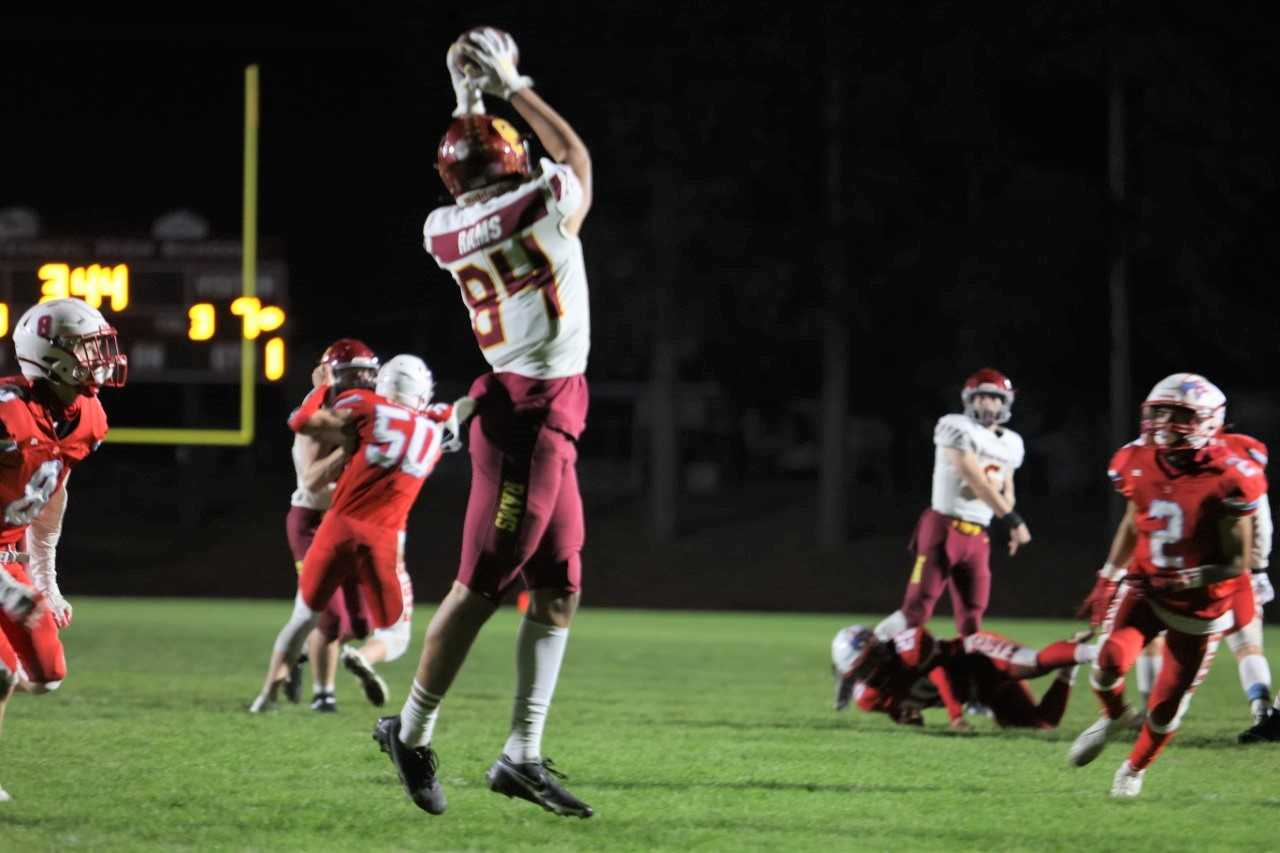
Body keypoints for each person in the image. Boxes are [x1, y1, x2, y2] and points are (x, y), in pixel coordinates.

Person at [373, 27, 595, 819]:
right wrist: (511, 85)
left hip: (540, 405)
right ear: (511, 159)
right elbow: (575, 157)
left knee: (560, 587)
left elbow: (474, 173)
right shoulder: (542, 204)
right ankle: (411, 727)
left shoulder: (441, 232)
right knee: (479, 589)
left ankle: (521, 756)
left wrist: (467, 101)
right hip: (526, 419)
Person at [1069, 373, 1266, 797]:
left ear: (1210, 421)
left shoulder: (1231, 477)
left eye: (1179, 415)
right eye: (1159, 411)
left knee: (1165, 708)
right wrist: (1108, 574)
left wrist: (1188, 577)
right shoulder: (1134, 460)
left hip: (1200, 608)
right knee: (1106, 664)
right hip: (1146, 587)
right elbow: (1133, 518)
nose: (1165, 423)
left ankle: (1134, 768)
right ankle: (1115, 716)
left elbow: (1235, 562)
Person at [249, 355, 458, 714]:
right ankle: (362, 657)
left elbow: (301, 421)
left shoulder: (366, 408)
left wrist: (321, 389)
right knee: (395, 635)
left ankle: (265, 698)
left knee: (304, 618)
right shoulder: (433, 431)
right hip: (383, 538)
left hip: (335, 527)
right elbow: (449, 421)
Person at [0, 298, 126, 803]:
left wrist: (45, 580)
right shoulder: (6, 413)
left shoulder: (87, 417)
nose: (102, 357)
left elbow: (51, 495)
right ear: (52, 356)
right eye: (87, 347)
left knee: (46, 676)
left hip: (10, 557)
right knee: (3, 671)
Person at [1090, 431, 1273, 727]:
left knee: (1205, 650)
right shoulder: (1227, 466)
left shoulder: (1216, 470)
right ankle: (1260, 709)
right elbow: (1260, 529)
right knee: (1246, 645)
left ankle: (1158, 714)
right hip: (1222, 573)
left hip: (1207, 578)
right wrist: (1259, 568)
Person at [874, 369, 1030, 642]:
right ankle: (864, 658)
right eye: (980, 397)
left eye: (993, 398)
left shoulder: (1012, 443)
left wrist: (1009, 523)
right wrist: (1014, 521)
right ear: (969, 400)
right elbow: (976, 479)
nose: (986, 404)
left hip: (979, 535)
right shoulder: (954, 425)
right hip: (944, 528)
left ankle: (966, 681)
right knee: (916, 611)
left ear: (1005, 402)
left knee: (972, 619)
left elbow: (1007, 487)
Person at [831, 624, 1093, 731]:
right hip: (981, 692)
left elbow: (938, 671)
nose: (874, 670)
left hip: (979, 657)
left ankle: (1097, 652)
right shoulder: (869, 698)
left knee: (1035, 664)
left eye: (873, 658)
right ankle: (1070, 662)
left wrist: (955, 716)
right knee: (1044, 723)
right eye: (864, 669)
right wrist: (906, 718)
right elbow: (903, 712)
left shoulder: (909, 649)